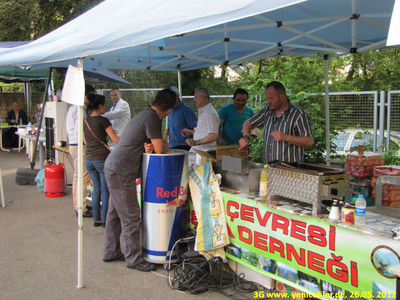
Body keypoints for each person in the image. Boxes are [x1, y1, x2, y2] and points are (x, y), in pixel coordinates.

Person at [103, 88, 176, 272]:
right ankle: (134, 259)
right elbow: (160, 149)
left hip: (113, 166)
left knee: (114, 215)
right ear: (168, 110)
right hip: (122, 171)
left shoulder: (145, 113)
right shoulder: (152, 118)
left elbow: (151, 146)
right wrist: (163, 144)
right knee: (130, 215)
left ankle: (111, 251)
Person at [238, 81, 314, 163]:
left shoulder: (298, 114)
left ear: (282, 96)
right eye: (267, 98)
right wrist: (246, 137)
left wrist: (286, 137)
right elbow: (248, 123)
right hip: (269, 168)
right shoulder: (267, 110)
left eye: (271, 98)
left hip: (291, 171)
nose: (268, 102)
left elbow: (309, 141)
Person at [84, 94, 120, 228]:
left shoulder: (85, 121)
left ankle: (96, 219)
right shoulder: (103, 121)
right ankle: (106, 220)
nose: (106, 107)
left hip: (89, 159)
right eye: (105, 104)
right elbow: (115, 139)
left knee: (96, 189)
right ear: (100, 106)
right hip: (101, 159)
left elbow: (85, 141)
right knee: (105, 190)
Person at [66, 84, 94, 218]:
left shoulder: (72, 108)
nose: (91, 99)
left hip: (74, 144)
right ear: (84, 95)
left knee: (78, 177)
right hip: (80, 145)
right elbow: (82, 131)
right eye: (90, 95)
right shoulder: (80, 110)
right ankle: (81, 208)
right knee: (82, 178)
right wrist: (90, 145)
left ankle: (78, 205)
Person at [182, 86, 219, 161]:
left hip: (205, 152)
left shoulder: (209, 113)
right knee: (190, 170)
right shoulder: (203, 111)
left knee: (199, 172)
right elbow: (204, 131)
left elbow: (214, 135)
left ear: (202, 97)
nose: (194, 100)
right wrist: (190, 132)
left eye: (195, 97)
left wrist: (196, 142)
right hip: (198, 150)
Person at [163, 86, 197, 150]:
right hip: (172, 146)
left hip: (184, 146)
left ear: (177, 96)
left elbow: (196, 129)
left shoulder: (187, 110)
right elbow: (170, 127)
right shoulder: (170, 110)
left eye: (171, 96)